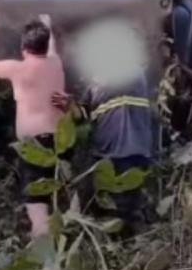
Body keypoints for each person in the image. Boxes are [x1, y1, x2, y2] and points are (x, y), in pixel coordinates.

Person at [0, 0, 67, 235]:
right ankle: (57, 244)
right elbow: (52, 48)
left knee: (37, 207)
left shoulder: (17, 69)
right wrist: (47, 24)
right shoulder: (55, 63)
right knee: (53, 199)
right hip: (61, 141)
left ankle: (44, 253)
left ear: (23, 48)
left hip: (35, 145)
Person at [53, 68, 155, 230]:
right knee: (108, 206)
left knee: (127, 205)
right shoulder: (94, 83)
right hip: (104, 152)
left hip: (130, 149)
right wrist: (70, 105)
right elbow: (82, 115)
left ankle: (135, 236)